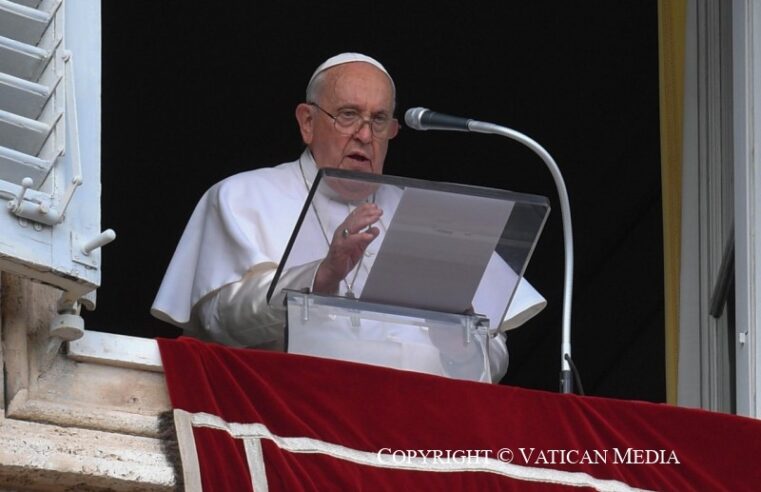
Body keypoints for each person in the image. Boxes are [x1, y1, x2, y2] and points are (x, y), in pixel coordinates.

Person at [151, 53, 546, 382]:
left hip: (414, 432)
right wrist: (318, 278)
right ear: (307, 122)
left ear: (392, 131)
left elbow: (494, 353)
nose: (364, 134)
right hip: (292, 422)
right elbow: (218, 321)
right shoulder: (242, 195)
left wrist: (460, 345)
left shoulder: (435, 218)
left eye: (378, 120)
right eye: (347, 115)